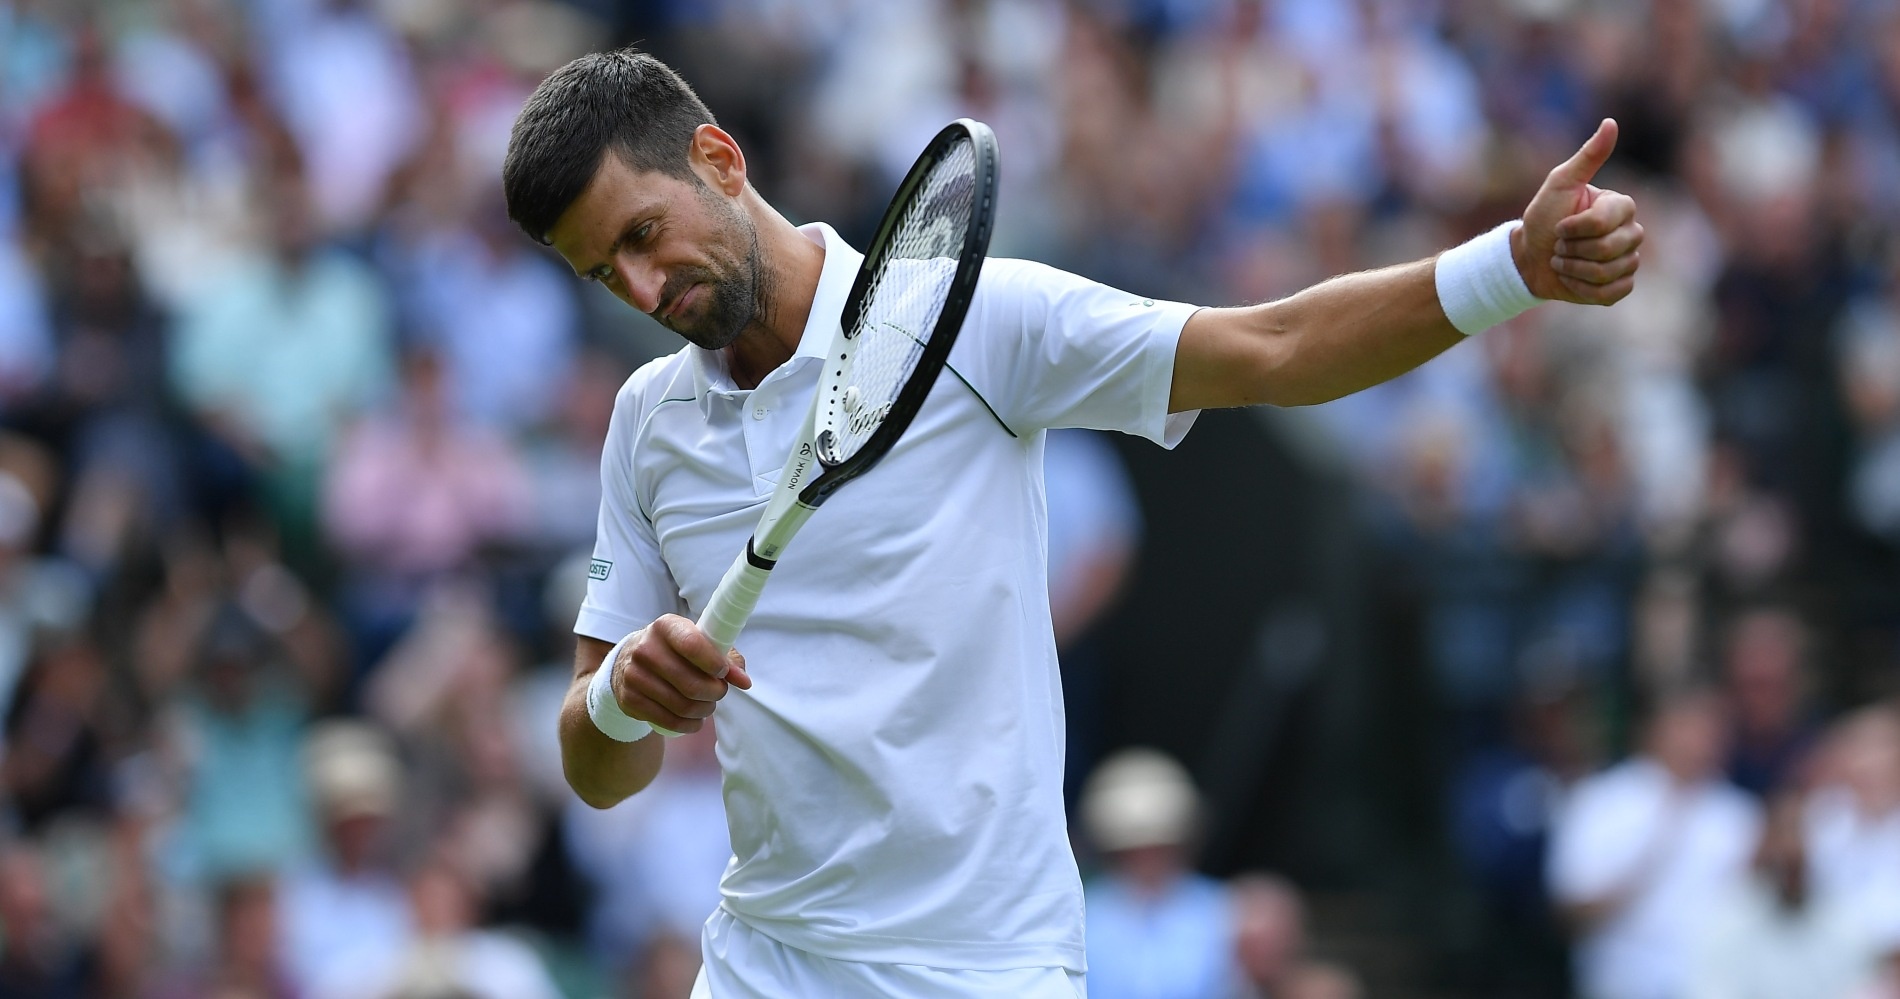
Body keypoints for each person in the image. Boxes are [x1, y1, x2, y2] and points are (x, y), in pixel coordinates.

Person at [504, 49, 1642, 998]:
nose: (644, 291)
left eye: (646, 236)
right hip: (765, 969)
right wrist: (618, 697)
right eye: (606, 274)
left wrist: (1511, 265)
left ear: (717, 158)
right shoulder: (645, 423)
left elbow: (1276, 348)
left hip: (991, 969)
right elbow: (601, 770)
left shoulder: (982, 322)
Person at [1547, 687, 1761, 999]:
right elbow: (1570, 909)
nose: (1702, 738)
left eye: (1713, 727)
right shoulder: (1601, 801)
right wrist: (1649, 856)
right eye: (1688, 724)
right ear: (1656, 728)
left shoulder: (1742, 815)